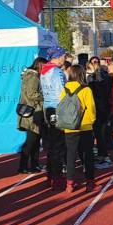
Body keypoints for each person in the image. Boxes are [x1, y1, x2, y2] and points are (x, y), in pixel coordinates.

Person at [60, 65, 97, 192]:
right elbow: (91, 108)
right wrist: (91, 121)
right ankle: (90, 182)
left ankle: (70, 183)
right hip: (84, 126)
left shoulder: (65, 89)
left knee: (70, 155)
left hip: (69, 127)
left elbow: (61, 106)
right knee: (87, 154)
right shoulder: (86, 89)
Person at [40, 47, 68, 188]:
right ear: (58, 56)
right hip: (57, 107)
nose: (65, 59)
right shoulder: (57, 72)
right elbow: (61, 92)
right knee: (59, 144)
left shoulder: (44, 71)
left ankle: (51, 175)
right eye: (64, 56)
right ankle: (57, 178)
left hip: (48, 108)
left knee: (52, 144)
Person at [17, 57, 46, 174]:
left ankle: (35, 165)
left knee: (36, 140)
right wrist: (46, 96)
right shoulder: (33, 77)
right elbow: (32, 94)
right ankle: (23, 166)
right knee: (31, 141)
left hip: (34, 111)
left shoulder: (33, 76)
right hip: (32, 113)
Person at [86, 59, 112, 169]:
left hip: (96, 109)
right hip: (105, 108)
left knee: (98, 135)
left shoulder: (91, 79)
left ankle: (104, 156)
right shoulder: (105, 76)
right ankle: (103, 155)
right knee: (101, 134)